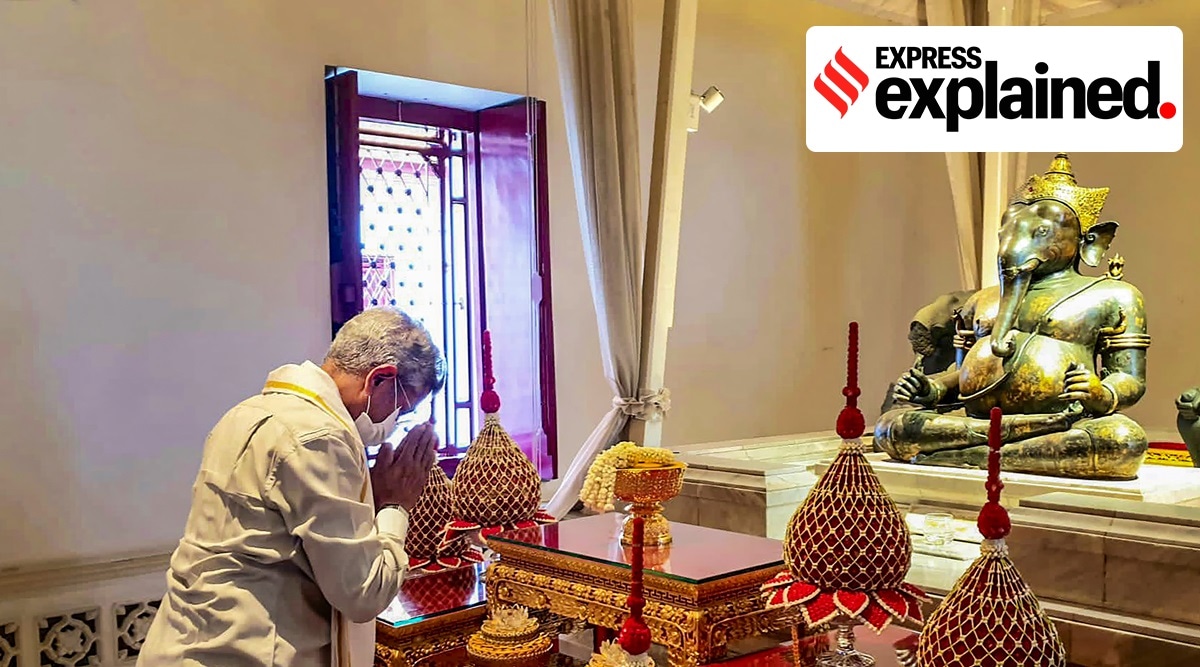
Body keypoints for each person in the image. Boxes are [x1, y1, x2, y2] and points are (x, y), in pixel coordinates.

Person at [138, 308, 446, 667]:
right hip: (247, 654)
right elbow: (363, 595)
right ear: (379, 380)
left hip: (188, 643)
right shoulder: (319, 438)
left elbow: (280, 538)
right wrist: (394, 505)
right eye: (402, 409)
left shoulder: (249, 411)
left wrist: (368, 500)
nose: (394, 424)